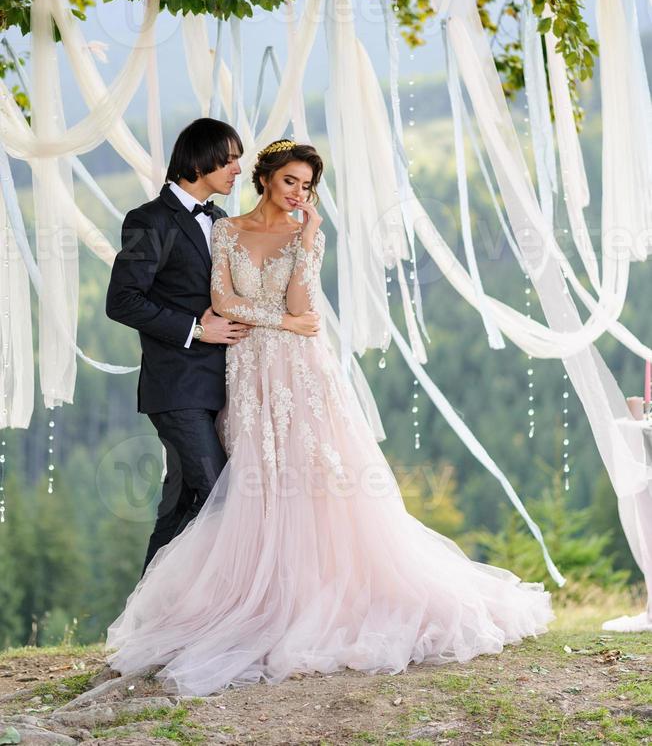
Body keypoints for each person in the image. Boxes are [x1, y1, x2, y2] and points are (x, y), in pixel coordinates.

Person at [105, 139, 552, 695]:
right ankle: (204, 607)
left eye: (308, 186)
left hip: (297, 371)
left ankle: (295, 601)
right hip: (244, 371)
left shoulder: (301, 233)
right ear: (266, 179)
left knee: (309, 478)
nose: (298, 193)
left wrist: (309, 242)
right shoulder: (223, 228)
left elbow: (302, 307)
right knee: (241, 484)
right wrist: (281, 323)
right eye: (289, 180)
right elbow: (221, 302)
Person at [105, 122, 319, 575]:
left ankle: (152, 619)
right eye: (229, 160)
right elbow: (121, 301)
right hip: (178, 388)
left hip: (230, 387)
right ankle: (221, 613)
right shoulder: (149, 220)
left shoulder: (222, 222)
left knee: (182, 503)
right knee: (225, 493)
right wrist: (194, 330)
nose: (238, 170)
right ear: (200, 159)